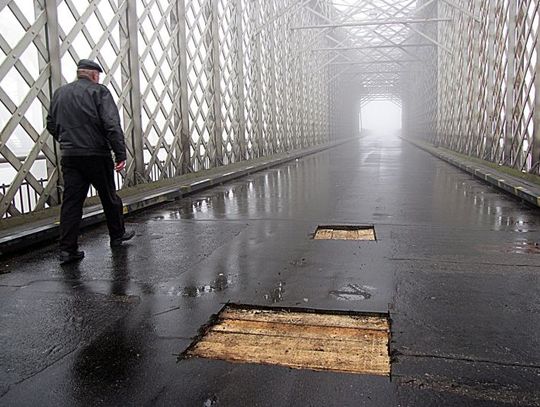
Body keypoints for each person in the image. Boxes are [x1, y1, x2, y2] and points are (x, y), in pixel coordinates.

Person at [47, 59, 135, 264]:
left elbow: (50, 123)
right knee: (109, 196)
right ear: (94, 75)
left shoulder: (60, 93)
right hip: (96, 154)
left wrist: (67, 140)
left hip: (70, 155)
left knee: (71, 203)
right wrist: (120, 154)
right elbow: (111, 124)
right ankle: (117, 235)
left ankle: (67, 249)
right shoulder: (99, 91)